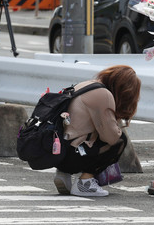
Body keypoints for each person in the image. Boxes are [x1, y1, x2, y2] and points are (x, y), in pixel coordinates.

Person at [53, 65, 141, 197]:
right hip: (73, 155)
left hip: (57, 151)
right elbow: (111, 137)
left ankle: (63, 173)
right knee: (120, 140)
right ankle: (85, 183)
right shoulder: (103, 95)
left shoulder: (86, 85)